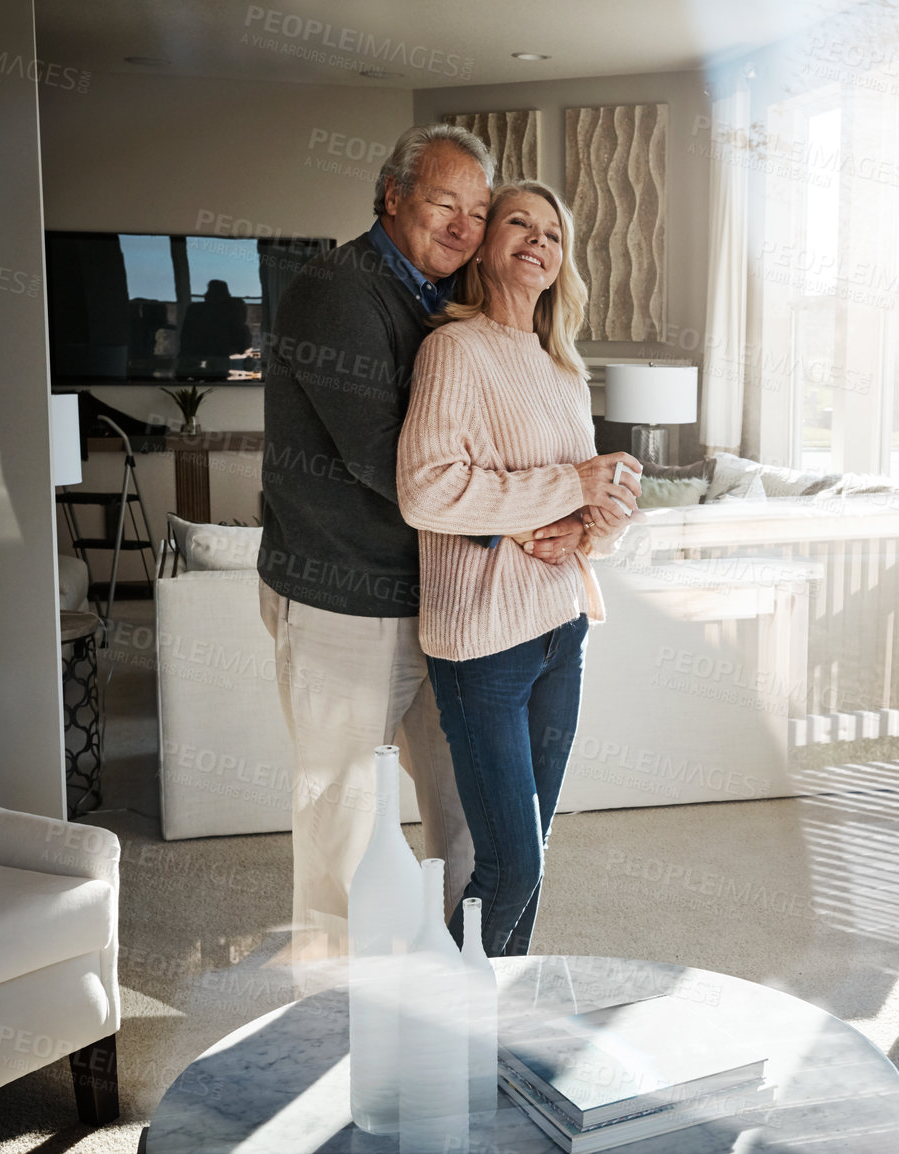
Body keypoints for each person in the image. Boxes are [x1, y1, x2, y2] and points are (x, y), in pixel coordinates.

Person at [257, 128, 586, 990]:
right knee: (343, 820)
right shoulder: (337, 292)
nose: (465, 225)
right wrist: (524, 520)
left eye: (480, 211)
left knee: (470, 819)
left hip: (445, 609)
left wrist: (573, 514)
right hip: (343, 601)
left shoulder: (450, 304)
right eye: (445, 203)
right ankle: (332, 1009)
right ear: (392, 196)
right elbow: (382, 457)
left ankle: (454, 995)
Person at [397, 180, 642, 956]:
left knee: (531, 858)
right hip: (482, 645)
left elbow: (578, 518)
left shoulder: (564, 371)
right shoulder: (452, 349)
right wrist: (571, 488)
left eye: (554, 234)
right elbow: (426, 491)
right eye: (519, 223)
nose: (539, 240)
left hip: (562, 631)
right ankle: (442, 1032)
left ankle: (499, 1026)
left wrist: (595, 523)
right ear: (484, 245)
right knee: (511, 861)